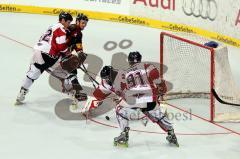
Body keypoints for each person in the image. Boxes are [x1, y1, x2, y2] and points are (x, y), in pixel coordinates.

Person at [93, 51, 179, 147]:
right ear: (140, 59)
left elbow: (115, 91)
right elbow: (154, 74)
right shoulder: (147, 65)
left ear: (129, 61)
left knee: (120, 111)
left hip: (133, 100)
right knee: (158, 115)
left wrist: (119, 96)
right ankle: (171, 133)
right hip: (149, 97)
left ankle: (124, 134)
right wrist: (161, 86)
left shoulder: (125, 73)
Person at [15, 12, 73, 105]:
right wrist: (68, 53)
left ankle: (21, 94)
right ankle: (72, 95)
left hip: (37, 51)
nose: (68, 25)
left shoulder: (51, 26)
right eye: (68, 22)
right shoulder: (60, 28)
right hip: (48, 55)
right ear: (62, 20)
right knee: (65, 74)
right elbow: (61, 46)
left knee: (32, 75)